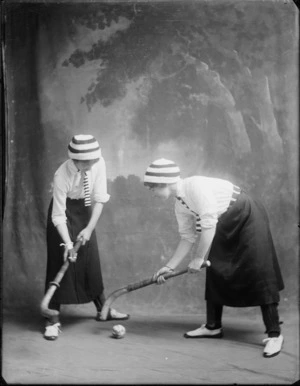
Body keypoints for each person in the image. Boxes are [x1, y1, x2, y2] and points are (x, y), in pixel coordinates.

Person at [143, 158, 284, 358]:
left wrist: (198, 258)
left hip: (246, 215)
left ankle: (274, 334)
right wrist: (170, 266)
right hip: (223, 221)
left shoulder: (195, 186)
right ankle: (213, 326)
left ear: (163, 182)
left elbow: (208, 223)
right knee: (216, 268)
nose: (152, 193)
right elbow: (187, 237)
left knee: (259, 272)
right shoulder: (180, 205)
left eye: (152, 188)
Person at [44, 134, 129, 341]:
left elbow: (99, 199)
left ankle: (104, 309)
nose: (91, 164)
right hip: (62, 216)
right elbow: (58, 215)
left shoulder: (98, 163)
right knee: (60, 261)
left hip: (85, 212)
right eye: (87, 161)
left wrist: (89, 228)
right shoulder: (61, 175)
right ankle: (52, 319)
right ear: (75, 159)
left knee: (90, 261)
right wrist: (67, 242)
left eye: (94, 160)